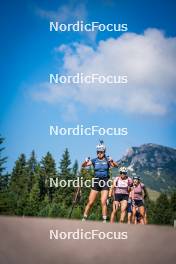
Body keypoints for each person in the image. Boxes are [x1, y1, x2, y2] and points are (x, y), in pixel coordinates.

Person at [82, 141, 118, 222]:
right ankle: (84, 218)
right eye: (98, 152)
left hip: (105, 181)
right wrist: (85, 161)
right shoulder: (94, 160)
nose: (99, 153)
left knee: (103, 202)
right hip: (96, 181)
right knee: (90, 202)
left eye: (101, 152)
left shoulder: (107, 160)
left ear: (104, 152)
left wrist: (112, 161)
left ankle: (104, 220)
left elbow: (116, 166)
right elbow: (83, 166)